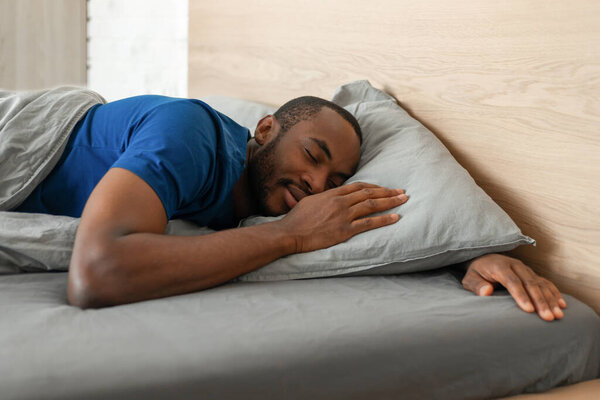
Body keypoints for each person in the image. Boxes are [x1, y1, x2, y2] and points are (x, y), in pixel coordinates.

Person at [15, 94, 567, 320]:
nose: (316, 185)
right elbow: (94, 276)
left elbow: (385, 224)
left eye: (336, 180)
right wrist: (291, 236)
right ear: (263, 129)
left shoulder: (266, 201)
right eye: (313, 154)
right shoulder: (191, 135)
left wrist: (462, 259)